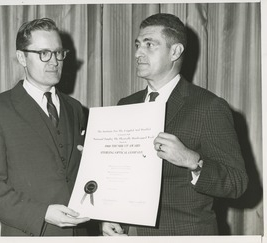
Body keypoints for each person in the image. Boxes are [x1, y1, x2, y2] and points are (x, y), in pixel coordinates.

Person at [102, 13, 248, 236]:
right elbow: (122, 177)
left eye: (149, 45)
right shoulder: (126, 105)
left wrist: (193, 161)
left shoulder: (209, 107)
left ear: (175, 51)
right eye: (138, 44)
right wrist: (111, 216)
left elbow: (236, 183)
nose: (138, 53)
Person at [0, 18, 91, 236]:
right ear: (22, 57)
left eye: (58, 53)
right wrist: (42, 213)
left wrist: (102, 220)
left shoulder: (75, 108)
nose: (54, 62)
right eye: (43, 53)